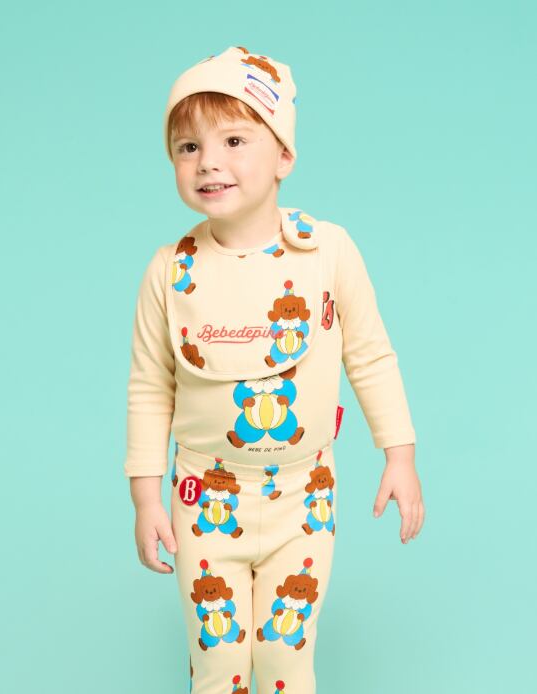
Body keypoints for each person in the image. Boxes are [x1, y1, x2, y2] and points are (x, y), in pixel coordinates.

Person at [123, 45, 425, 694]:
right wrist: (145, 498)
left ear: (284, 155)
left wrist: (399, 454)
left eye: (234, 140)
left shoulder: (327, 252)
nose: (208, 162)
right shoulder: (170, 271)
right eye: (187, 147)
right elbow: (150, 387)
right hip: (204, 496)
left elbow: (370, 354)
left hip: (303, 496)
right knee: (219, 662)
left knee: (286, 658)